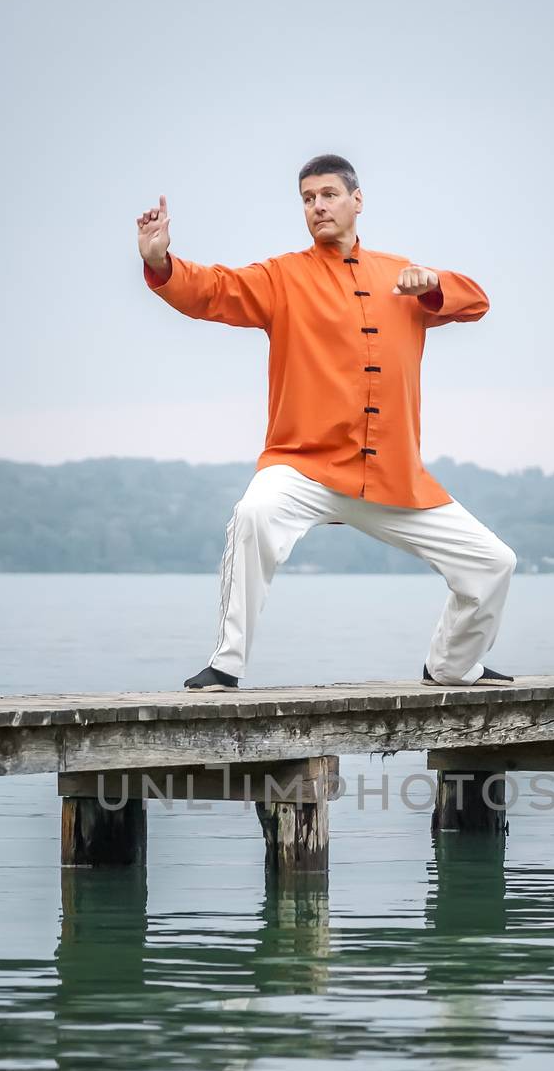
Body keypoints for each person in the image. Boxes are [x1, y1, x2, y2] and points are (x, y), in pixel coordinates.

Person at [136, 153, 517, 691]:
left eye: (329, 195)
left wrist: (433, 283)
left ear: (357, 201)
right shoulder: (282, 277)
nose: (318, 206)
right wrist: (162, 263)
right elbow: (213, 291)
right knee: (254, 514)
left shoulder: (400, 275)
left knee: (494, 562)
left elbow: (476, 301)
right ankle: (226, 664)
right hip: (303, 467)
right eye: (308, 199)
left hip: (392, 477)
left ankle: (452, 665)